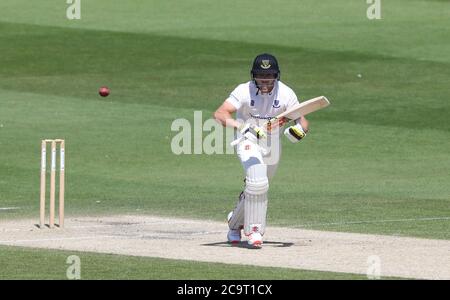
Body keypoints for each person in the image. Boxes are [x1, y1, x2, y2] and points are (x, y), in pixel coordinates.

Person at [213, 53, 309, 248]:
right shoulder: (243, 90)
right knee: (257, 179)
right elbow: (220, 114)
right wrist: (241, 126)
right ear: (253, 75)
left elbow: (303, 119)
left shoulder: (286, 93)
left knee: (259, 187)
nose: (265, 81)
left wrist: (300, 130)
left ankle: (234, 224)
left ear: (277, 76)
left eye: (270, 76)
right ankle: (255, 231)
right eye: (260, 77)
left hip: (272, 145)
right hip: (247, 139)